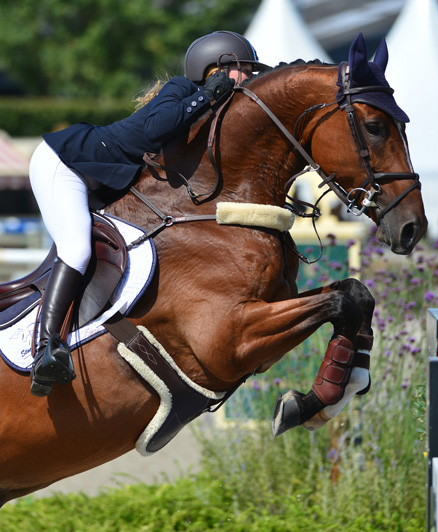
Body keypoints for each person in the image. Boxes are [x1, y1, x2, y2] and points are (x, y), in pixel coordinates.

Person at [27, 31, 268, 397]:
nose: (250, 78)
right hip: (66, 163)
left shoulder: (211, 109)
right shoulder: (183, 89)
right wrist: (207, 93)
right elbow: (156, 128)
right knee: (76, 249)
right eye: (244, 70)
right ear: (215, 68)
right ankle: (45, 350)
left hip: (95, 178)